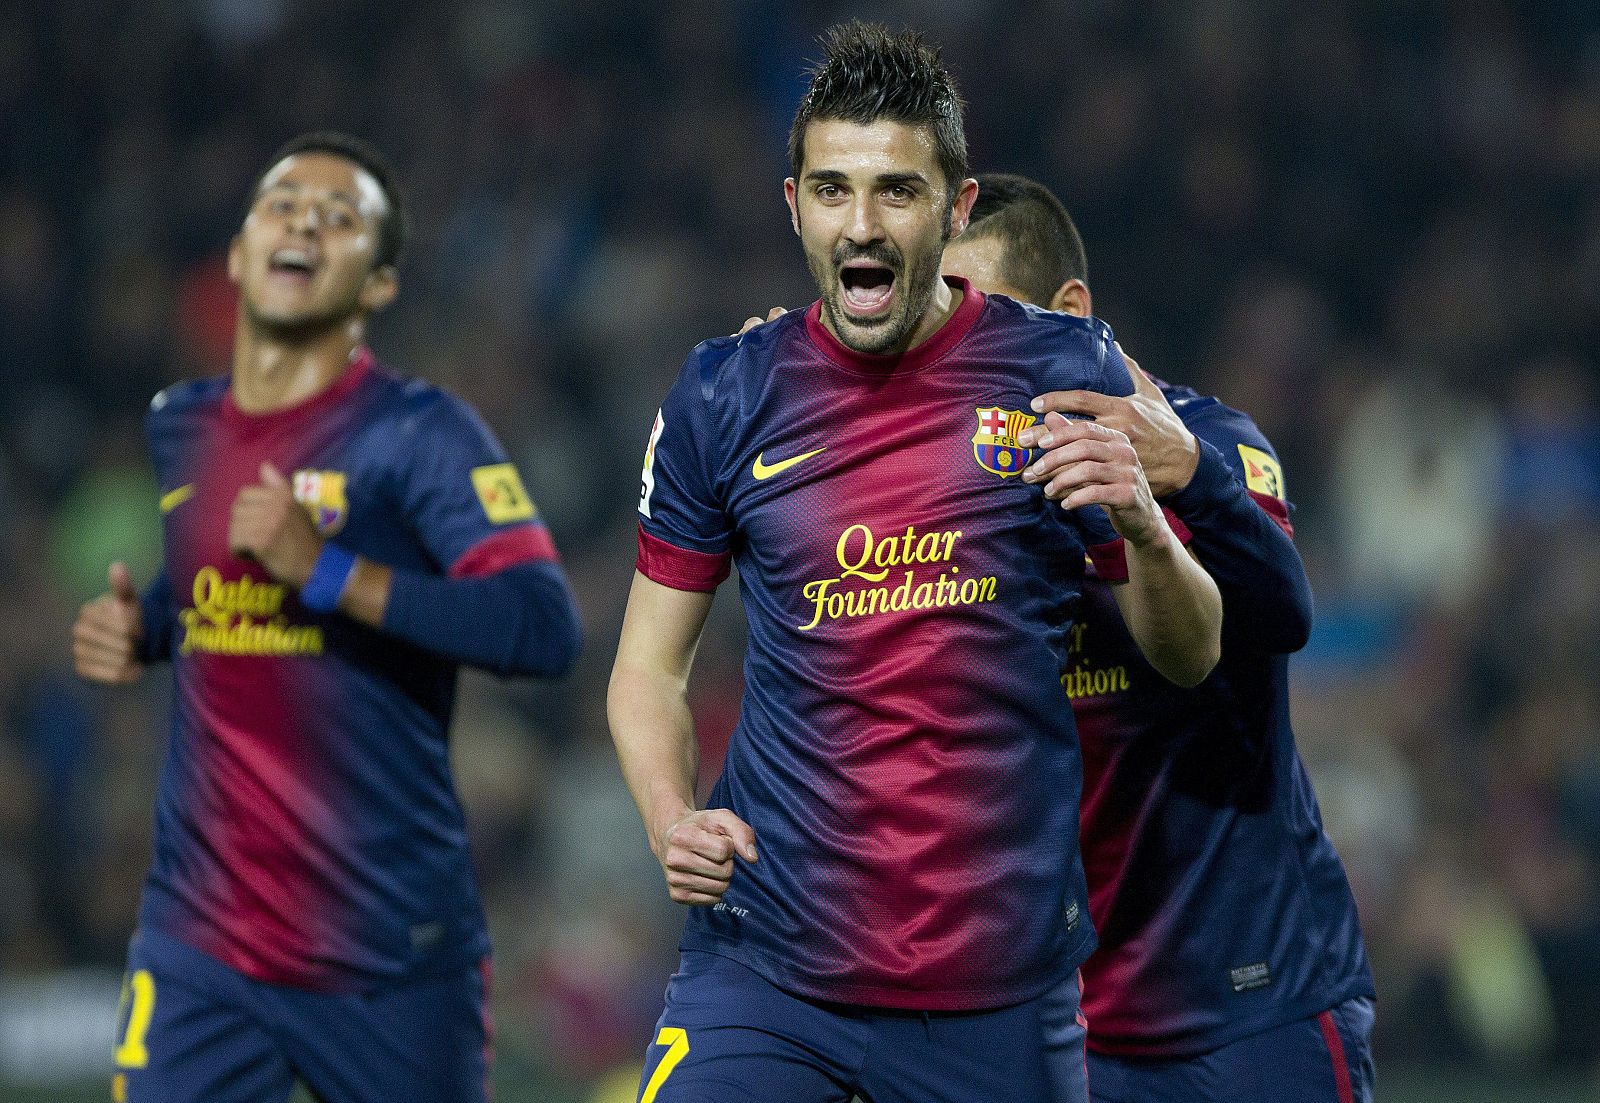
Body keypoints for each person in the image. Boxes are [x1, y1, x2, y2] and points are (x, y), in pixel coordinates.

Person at [607, 23, 1221, 1103]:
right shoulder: (721, 395)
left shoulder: (1060, 368)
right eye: (834, 189)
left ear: (957, 206)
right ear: (792, 203)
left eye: (897, 190)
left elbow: (1189, 652)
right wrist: (671, 816)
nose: (862, 222)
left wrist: (1142, 521)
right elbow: (648, 668)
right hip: (766, 964)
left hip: (994, 985)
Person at [71, 131, 582, 1103]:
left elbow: (540, 624)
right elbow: (218, 595)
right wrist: (144, 632)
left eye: (340, 215)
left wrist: (329, 570)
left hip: (388, 950)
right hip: (201, 938)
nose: (304, 219)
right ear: (236, 253)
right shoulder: (180, 424)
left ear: (378, 286)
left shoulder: (420, 432)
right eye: (281, 203)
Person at [941, 173, 1376, 1103]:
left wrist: (1193, 480)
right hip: (1062, 1026)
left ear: (1070, 311)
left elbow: (1281, 615)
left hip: (1255, 1005)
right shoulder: (945, 501)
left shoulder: (1207, 440)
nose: (959, 347)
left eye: (984, 313)